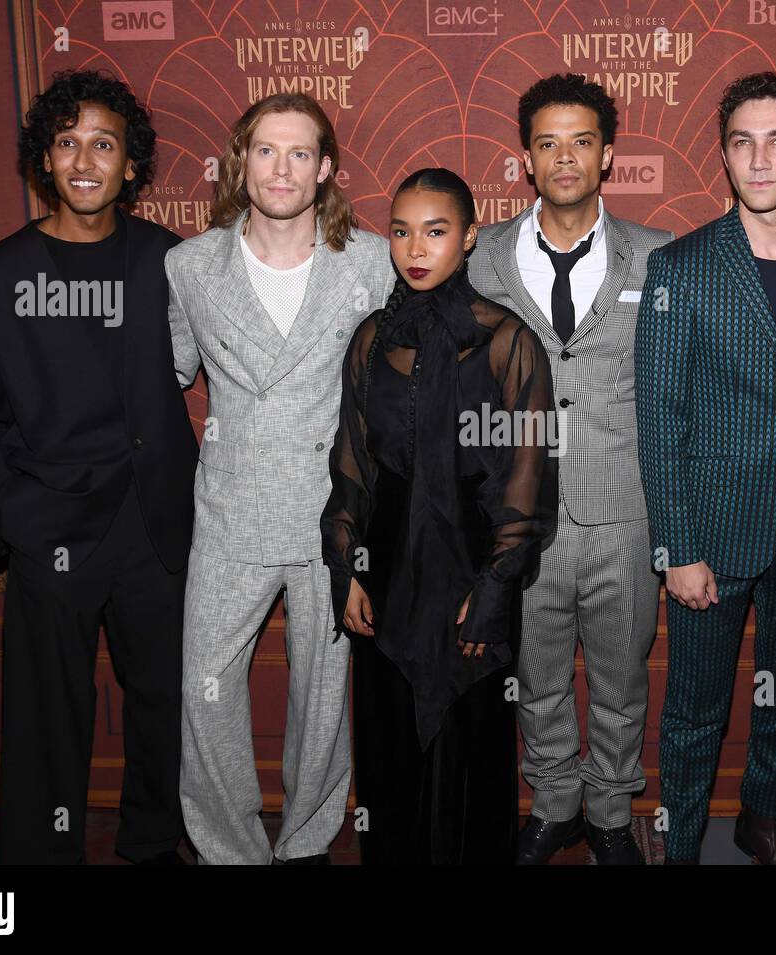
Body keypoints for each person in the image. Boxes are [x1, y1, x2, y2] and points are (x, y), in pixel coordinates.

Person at [0, 69, 195, 864]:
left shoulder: (175, 265)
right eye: (66, 142)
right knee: (48, 715)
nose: (85, 159)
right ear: (44, 160)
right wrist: (12, 514)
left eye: (104, 143)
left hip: (157, 523)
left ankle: (156, 840)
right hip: (48, 524)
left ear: (131, 164)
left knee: (168, 702)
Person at [635, 72, 776, 864]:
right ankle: (684, 843)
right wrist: (678, 546)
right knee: (695, 709)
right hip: (713, 533)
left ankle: (763, 821)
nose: (760, 159)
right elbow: (659, 421)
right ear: (725, 157)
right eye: (742, 142)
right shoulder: (682, 269)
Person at [167, 94, 395, 864]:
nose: (282, 169)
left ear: (325, 167)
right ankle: (227, 847)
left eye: (301, 153)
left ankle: (304, 844)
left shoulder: (368, 260)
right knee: (206, 688)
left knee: (323, 698)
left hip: (332, 517)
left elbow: (401, 381)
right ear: (241, 160)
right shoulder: (190, 265)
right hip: (229, 513)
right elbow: (169, 375)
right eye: (266, 150)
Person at [321, 168, 557, 864]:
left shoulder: (509, 342)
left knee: (470, 743)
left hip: (473, 566)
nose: (414, 247)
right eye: (400, 230)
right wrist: (347, 566)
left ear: (469, 236)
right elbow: (353, 465)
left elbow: (528, 479)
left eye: (435, 230)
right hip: (388, 568)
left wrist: (495, 586)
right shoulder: (370, 340)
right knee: (390, 744)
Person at [468, 74, 672, 864]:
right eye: (547, 142)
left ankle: (613, 812)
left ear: (607, 155)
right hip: (518, 513)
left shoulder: (657, 258)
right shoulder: (480, 257)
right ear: (525, 157)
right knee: (539, 675)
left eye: (581, 141)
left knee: (622, 679)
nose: (564, 156)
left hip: (624, 511)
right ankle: (554, 803)